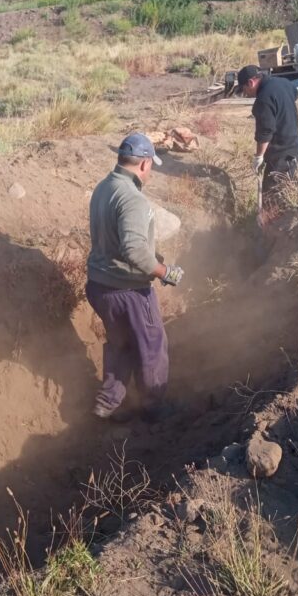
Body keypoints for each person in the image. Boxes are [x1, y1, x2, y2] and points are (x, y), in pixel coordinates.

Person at [86, 132, 183, 421]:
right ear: (143, 164)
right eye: (151, 165)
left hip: (100, 287)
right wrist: (166, 272)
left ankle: (107, 402)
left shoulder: (104, 187)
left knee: (122, 344)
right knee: (152, 345)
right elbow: (134, 252)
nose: (150, 171)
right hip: (128, 292)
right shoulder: (133, 200)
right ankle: (153, 407)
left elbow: (117, 241)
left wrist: (154, 258)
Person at [237, 64, 298, 195]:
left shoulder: (263, 99)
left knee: (272, 197)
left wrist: (259, 156)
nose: (245, 94)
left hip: (282, 156)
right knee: (286, 191)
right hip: (296, 148)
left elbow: (265, 131)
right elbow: (295, 94)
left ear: (251, 82)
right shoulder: (283, 82)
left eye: (244, 89)